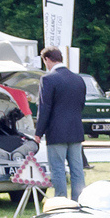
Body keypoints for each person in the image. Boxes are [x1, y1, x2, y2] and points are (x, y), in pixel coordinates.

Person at [33, 46, 87, 198]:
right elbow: (81, 105)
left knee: (57, 169)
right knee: (77, 170)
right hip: (76, 130)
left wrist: (39, 132)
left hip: (56, 132)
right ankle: (79, 201)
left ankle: (61, 200)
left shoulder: (48, 79)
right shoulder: (78, 79)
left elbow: (44, 108)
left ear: (47, 59)